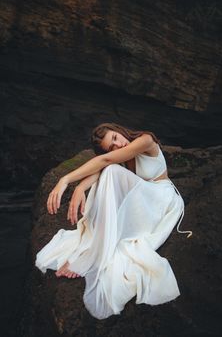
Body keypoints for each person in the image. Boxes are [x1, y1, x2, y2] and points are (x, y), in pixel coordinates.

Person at [35, 122, 192, 319]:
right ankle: (97, 244)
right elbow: (102, 168)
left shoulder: (145, 140)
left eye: (116, 138)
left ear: (120, 130)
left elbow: (106, 161)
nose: (118, 146)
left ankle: (95, 254)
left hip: (161, 200)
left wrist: (64, 181)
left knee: (110, 172)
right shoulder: (121, 157)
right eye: (112, 146)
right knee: (107, 174)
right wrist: (80, 187)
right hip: (144, 203)